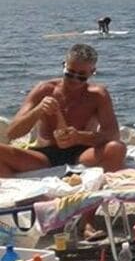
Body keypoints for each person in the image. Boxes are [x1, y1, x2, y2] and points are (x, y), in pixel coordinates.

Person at [0, 44, 127, 177]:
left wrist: (79, 137)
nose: (75, 80)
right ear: (64, 65)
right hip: (45, 155)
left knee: (117, 148)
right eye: (70, 73)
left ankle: (101, 188)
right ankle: (13, 187)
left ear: (92, 72)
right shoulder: (45, 89)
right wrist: (38, 110)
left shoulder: (98, 95)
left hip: (82, 153)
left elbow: (112, 135)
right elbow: (12, 133)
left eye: (81, 76)